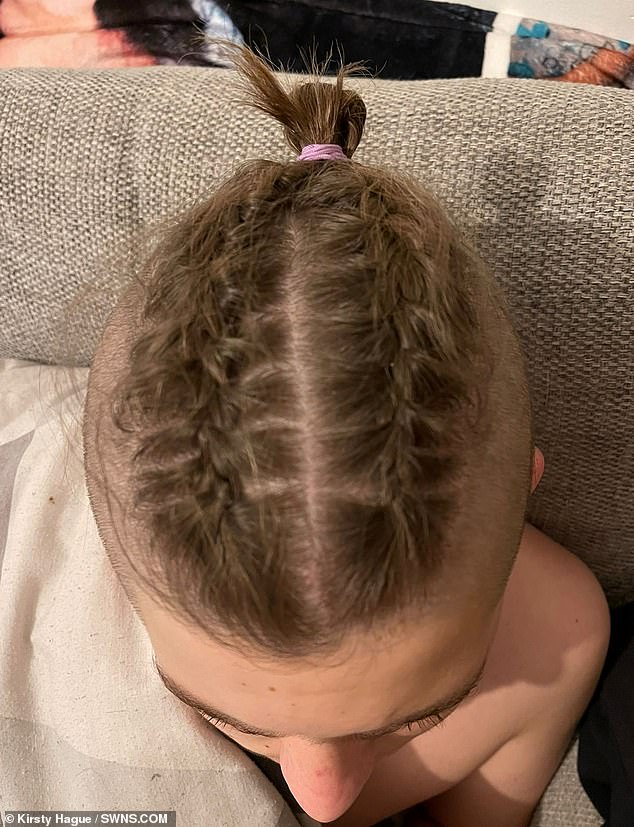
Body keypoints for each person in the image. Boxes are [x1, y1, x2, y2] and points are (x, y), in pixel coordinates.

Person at [82, 41, 611, 827]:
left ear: (527, 482)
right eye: (233, 719)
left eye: (415, 713)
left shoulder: (560, 638)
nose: (321, 801)